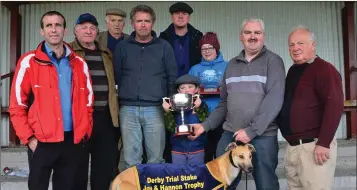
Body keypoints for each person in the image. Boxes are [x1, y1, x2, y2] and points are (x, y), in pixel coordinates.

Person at [190, 18, 285, 190]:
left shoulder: (273, 61)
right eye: (248, 32)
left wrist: (251, 131)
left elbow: (274, 100)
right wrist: (204, 126)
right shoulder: (231, 65)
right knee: (221, 184)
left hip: (262, 136)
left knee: (266, 185)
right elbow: (224, 102)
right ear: (241, 36)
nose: (253, 36)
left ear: (264, 36)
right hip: (230, 135)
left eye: (257, 32)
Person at [8, 11, 93, 190]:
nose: (53, 30)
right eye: (49, 25)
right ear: (42, 31)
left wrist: (84, 131)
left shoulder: (79, 63)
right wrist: (29, 139)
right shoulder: (28, 62)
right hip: (41, 143)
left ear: (65, 30)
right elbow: (17, 106)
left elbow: (88, 103)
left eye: (58, 25)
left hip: (71, 142)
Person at [278, 26, 344, 190]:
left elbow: (334, 106)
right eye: (291, 45)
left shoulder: (325, 69)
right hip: (294, 148)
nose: (295, 48)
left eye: (300, 43)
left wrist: (324, 143)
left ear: (313, 45)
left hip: (314, 148)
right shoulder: (293, 70)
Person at [113, 4, 178, 169]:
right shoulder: (122, 47)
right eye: (139, 21)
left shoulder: (164, 47)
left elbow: (172, 77)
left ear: (153, 23)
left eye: (147, 21)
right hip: (128, 109)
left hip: (155, 109)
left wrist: (169, 103)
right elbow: (117, 75)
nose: (143, 24)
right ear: (132, 23)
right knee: (130, 160)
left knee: (156, 160)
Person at [68, 13, 120, 190]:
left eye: (92, 28)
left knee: (103, 168)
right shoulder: (68, 53)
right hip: (80, 119)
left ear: (98, 31)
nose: (88, 31)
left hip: (105, 118)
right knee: (77, 168)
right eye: (83, 27)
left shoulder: (106, 54)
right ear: (75, 31)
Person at [188, 32, 227, 162]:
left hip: (223, 117)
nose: (206, 51)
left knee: (221, 155)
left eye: (210, 47)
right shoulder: (195, 69)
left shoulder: (227, 66)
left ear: (216, 48)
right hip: (201, 118)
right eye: (203, 48)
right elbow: (188, 91)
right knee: (205, 155)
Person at [162, 74, 209, 165]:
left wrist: (198, 108)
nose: (186, 90)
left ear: (197, 89)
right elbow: (171, 128)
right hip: (177, 149)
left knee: (196, 175)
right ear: (178, 91)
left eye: (190, 87)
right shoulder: (173, 106)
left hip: (197, 148)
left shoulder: (202, 104)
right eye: (182, 88)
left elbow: (205, 124)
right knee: (179, 175)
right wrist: (167, 111)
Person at [159, 2, 203, 77]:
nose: (180, 16)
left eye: (184, 13)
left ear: (189, 17)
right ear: (172, 17)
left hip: (193, 84)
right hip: (170, 85)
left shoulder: (198, 37)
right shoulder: (163, 38)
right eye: (177, 13)